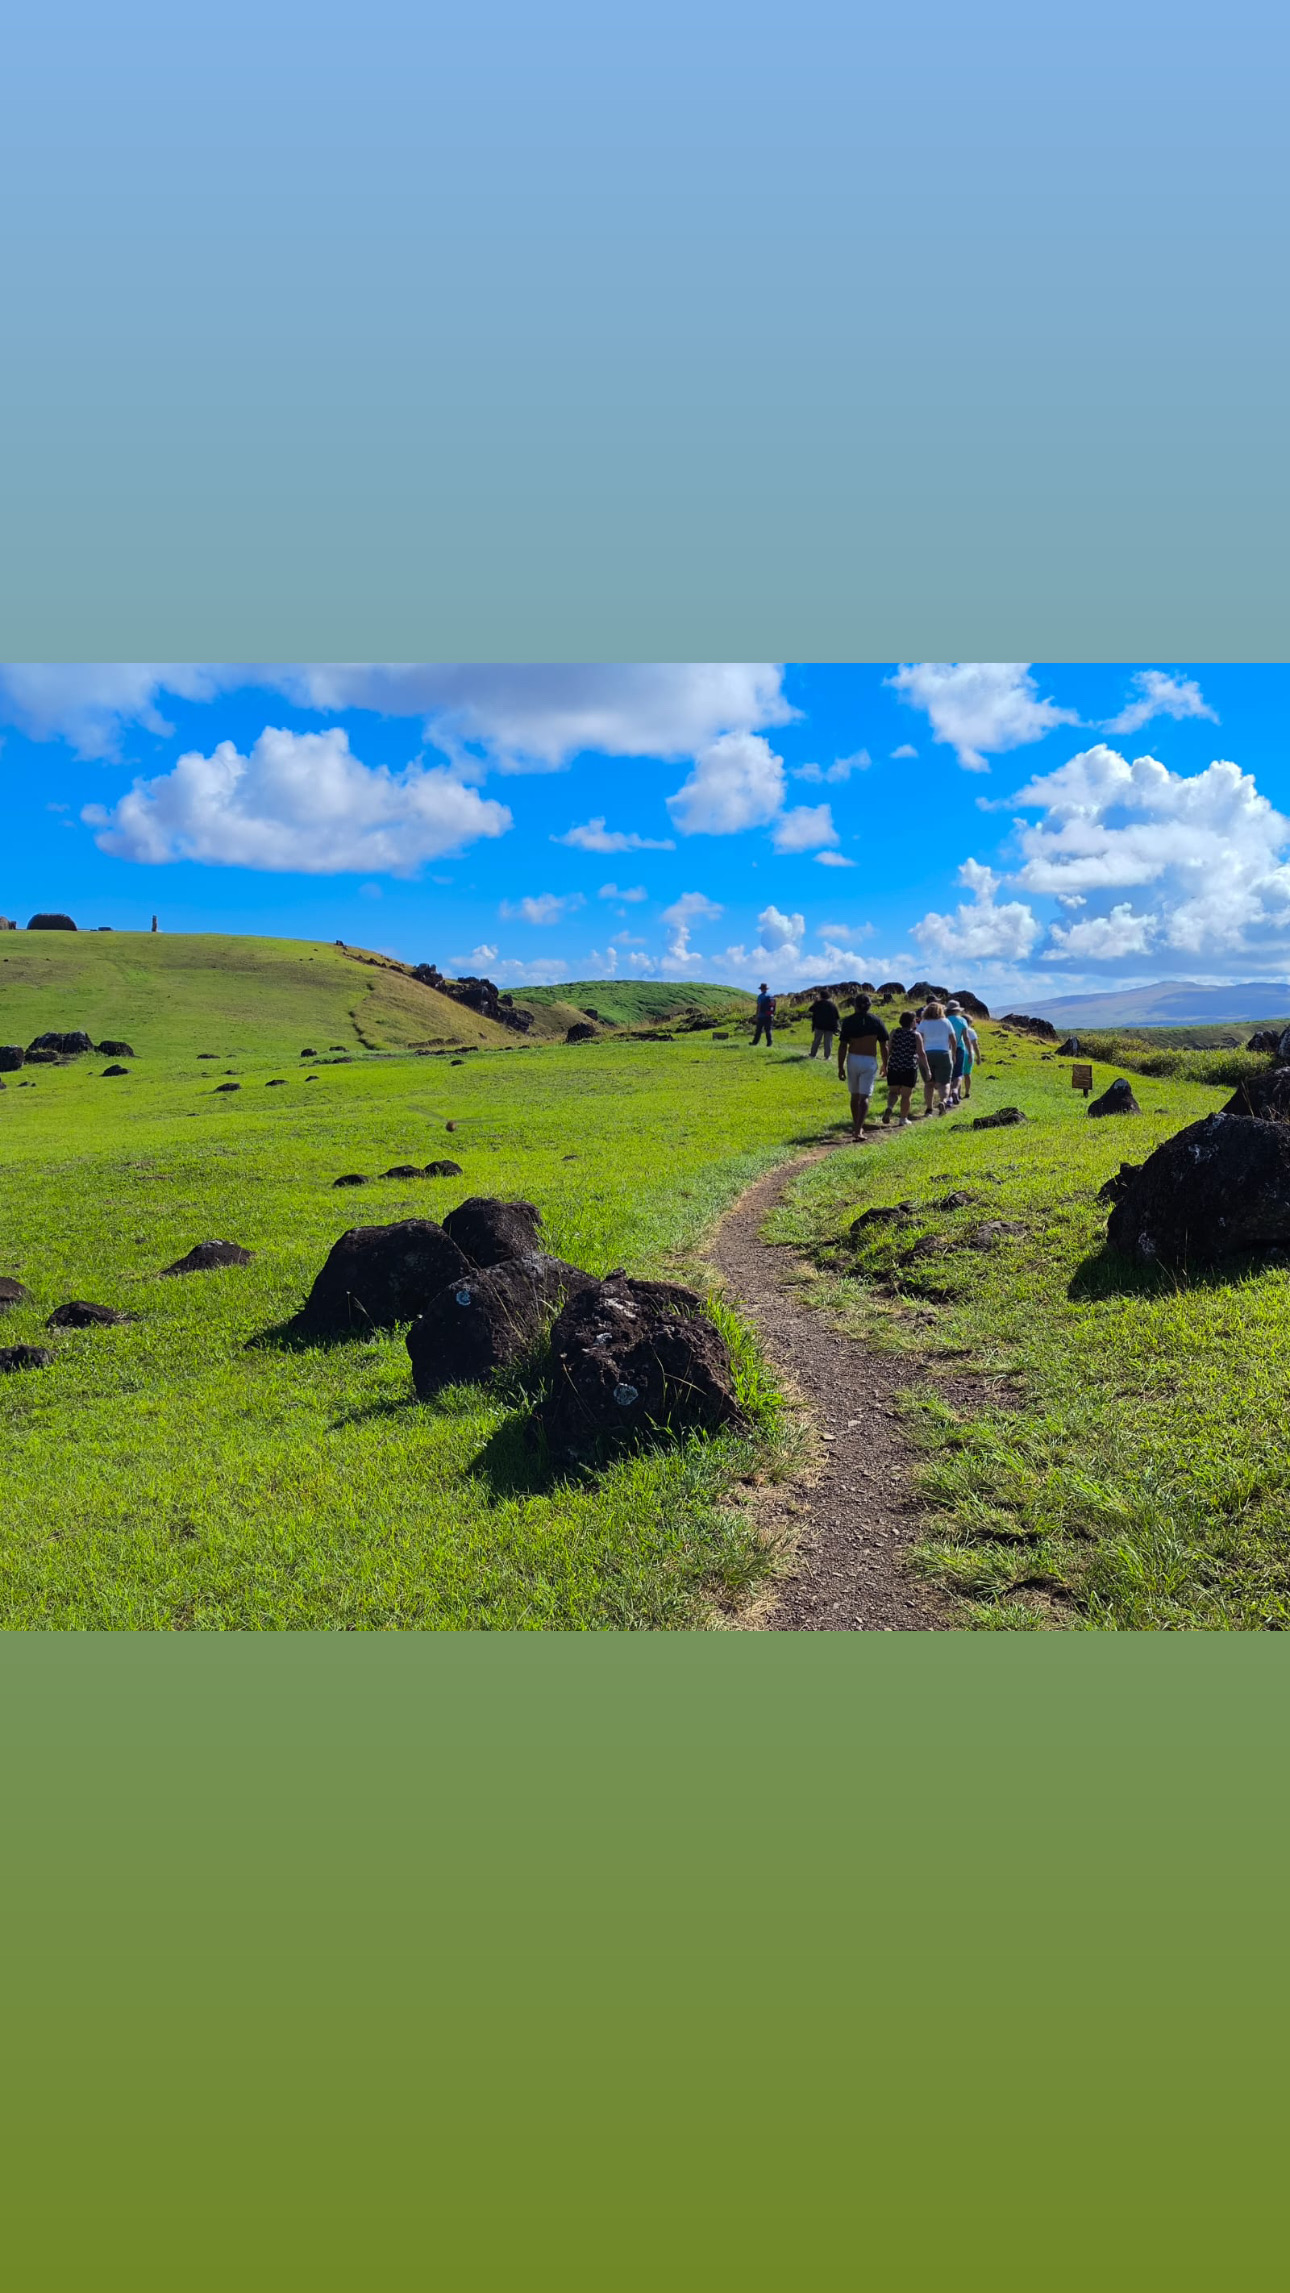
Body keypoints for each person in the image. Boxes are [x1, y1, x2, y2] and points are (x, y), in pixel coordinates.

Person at [836, 993, 889, 1142]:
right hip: (869, 1060)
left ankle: (856, 1125)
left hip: (853, 1059)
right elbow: (884, 1045)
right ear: (869, 1006)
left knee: (854, 1095)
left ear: (855, 1005)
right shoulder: (876, 1021)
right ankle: (859, 1128)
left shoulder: (848, 1021)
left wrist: (840, 1067)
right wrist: (885, 1064)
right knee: (864, 1097)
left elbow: (842, 1046)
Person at [882, 1011, 928, 1127]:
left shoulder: (894, 1032)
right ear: (912, 1022)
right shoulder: (916, 1035)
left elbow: (889, 1049)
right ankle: (903, 1119)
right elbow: (921, 1053)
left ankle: (890, 1107)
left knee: (893, 1092)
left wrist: (884, 1065)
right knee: (906, 1095)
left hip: (894, 1065)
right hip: (909, 1067)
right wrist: (927, 1069)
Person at [917, 1000, 956, 1116]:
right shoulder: (946, 1022)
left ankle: (929, 1109)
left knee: (928, 1083)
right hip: (943, 1053)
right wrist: (953, 1054)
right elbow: (953, 1040)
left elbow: (919, 1039)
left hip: (927, 1054)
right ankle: (943, 1101)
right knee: (944, 1083)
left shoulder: (924, 1023)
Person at [944, 1000, 972, 1107]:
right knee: (958, 1073)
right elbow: (966, 1038)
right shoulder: (962, 1020)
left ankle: (948, 1098)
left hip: (946, 1048)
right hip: (960, 1048)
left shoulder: (945, 1020)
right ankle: (955, 1091)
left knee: (948, 1074)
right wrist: (970, 1052)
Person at [807, 989, 840, 1060]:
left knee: (816, 1041)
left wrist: (815, 1001)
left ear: (821, 996)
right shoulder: (832, 1005)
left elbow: (810, 1009)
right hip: (830, 1026)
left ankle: (812, 1055)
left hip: (819, 1025)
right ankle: (827, 1056)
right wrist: (836, 1026)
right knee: (828, 1041)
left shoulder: (818, 1004)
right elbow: (837, 1016)